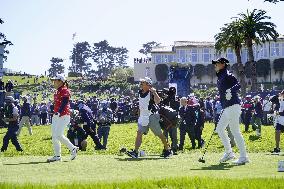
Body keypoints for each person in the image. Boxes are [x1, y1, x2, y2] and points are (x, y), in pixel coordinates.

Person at [212, 57, 249, 165]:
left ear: (223, 64)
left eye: (217, 64)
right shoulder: (220, 76)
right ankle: (229, 153)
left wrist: (230, 90)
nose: (215, 65)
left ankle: (243, 157)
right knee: (219, 129)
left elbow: (238, 85)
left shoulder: (228, 75)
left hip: (233, 105)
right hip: (226, 107)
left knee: (235, 131)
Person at [126, 77, 172, 158]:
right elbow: (141, 105)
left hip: (152, 116)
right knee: (139, 133)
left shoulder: (151, 92)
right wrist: (139, 117)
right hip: (143, 117)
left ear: (148, 84)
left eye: (143, 83)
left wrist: (154, 92)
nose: (140, 84)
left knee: (160, 134)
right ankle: (135, 152)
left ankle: (168, 149)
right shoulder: (140, 92)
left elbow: (158, 101)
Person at [47, 75, 78, 162]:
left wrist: (59, 112)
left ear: (61, 81)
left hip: (63, 115)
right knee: (54, 136)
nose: (54, 82)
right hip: (57, 116)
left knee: (58, 135)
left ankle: (73, 148)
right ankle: (57, 156)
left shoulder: (64, 90)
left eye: (55, 81)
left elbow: (64, 102)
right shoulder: (57, 91)